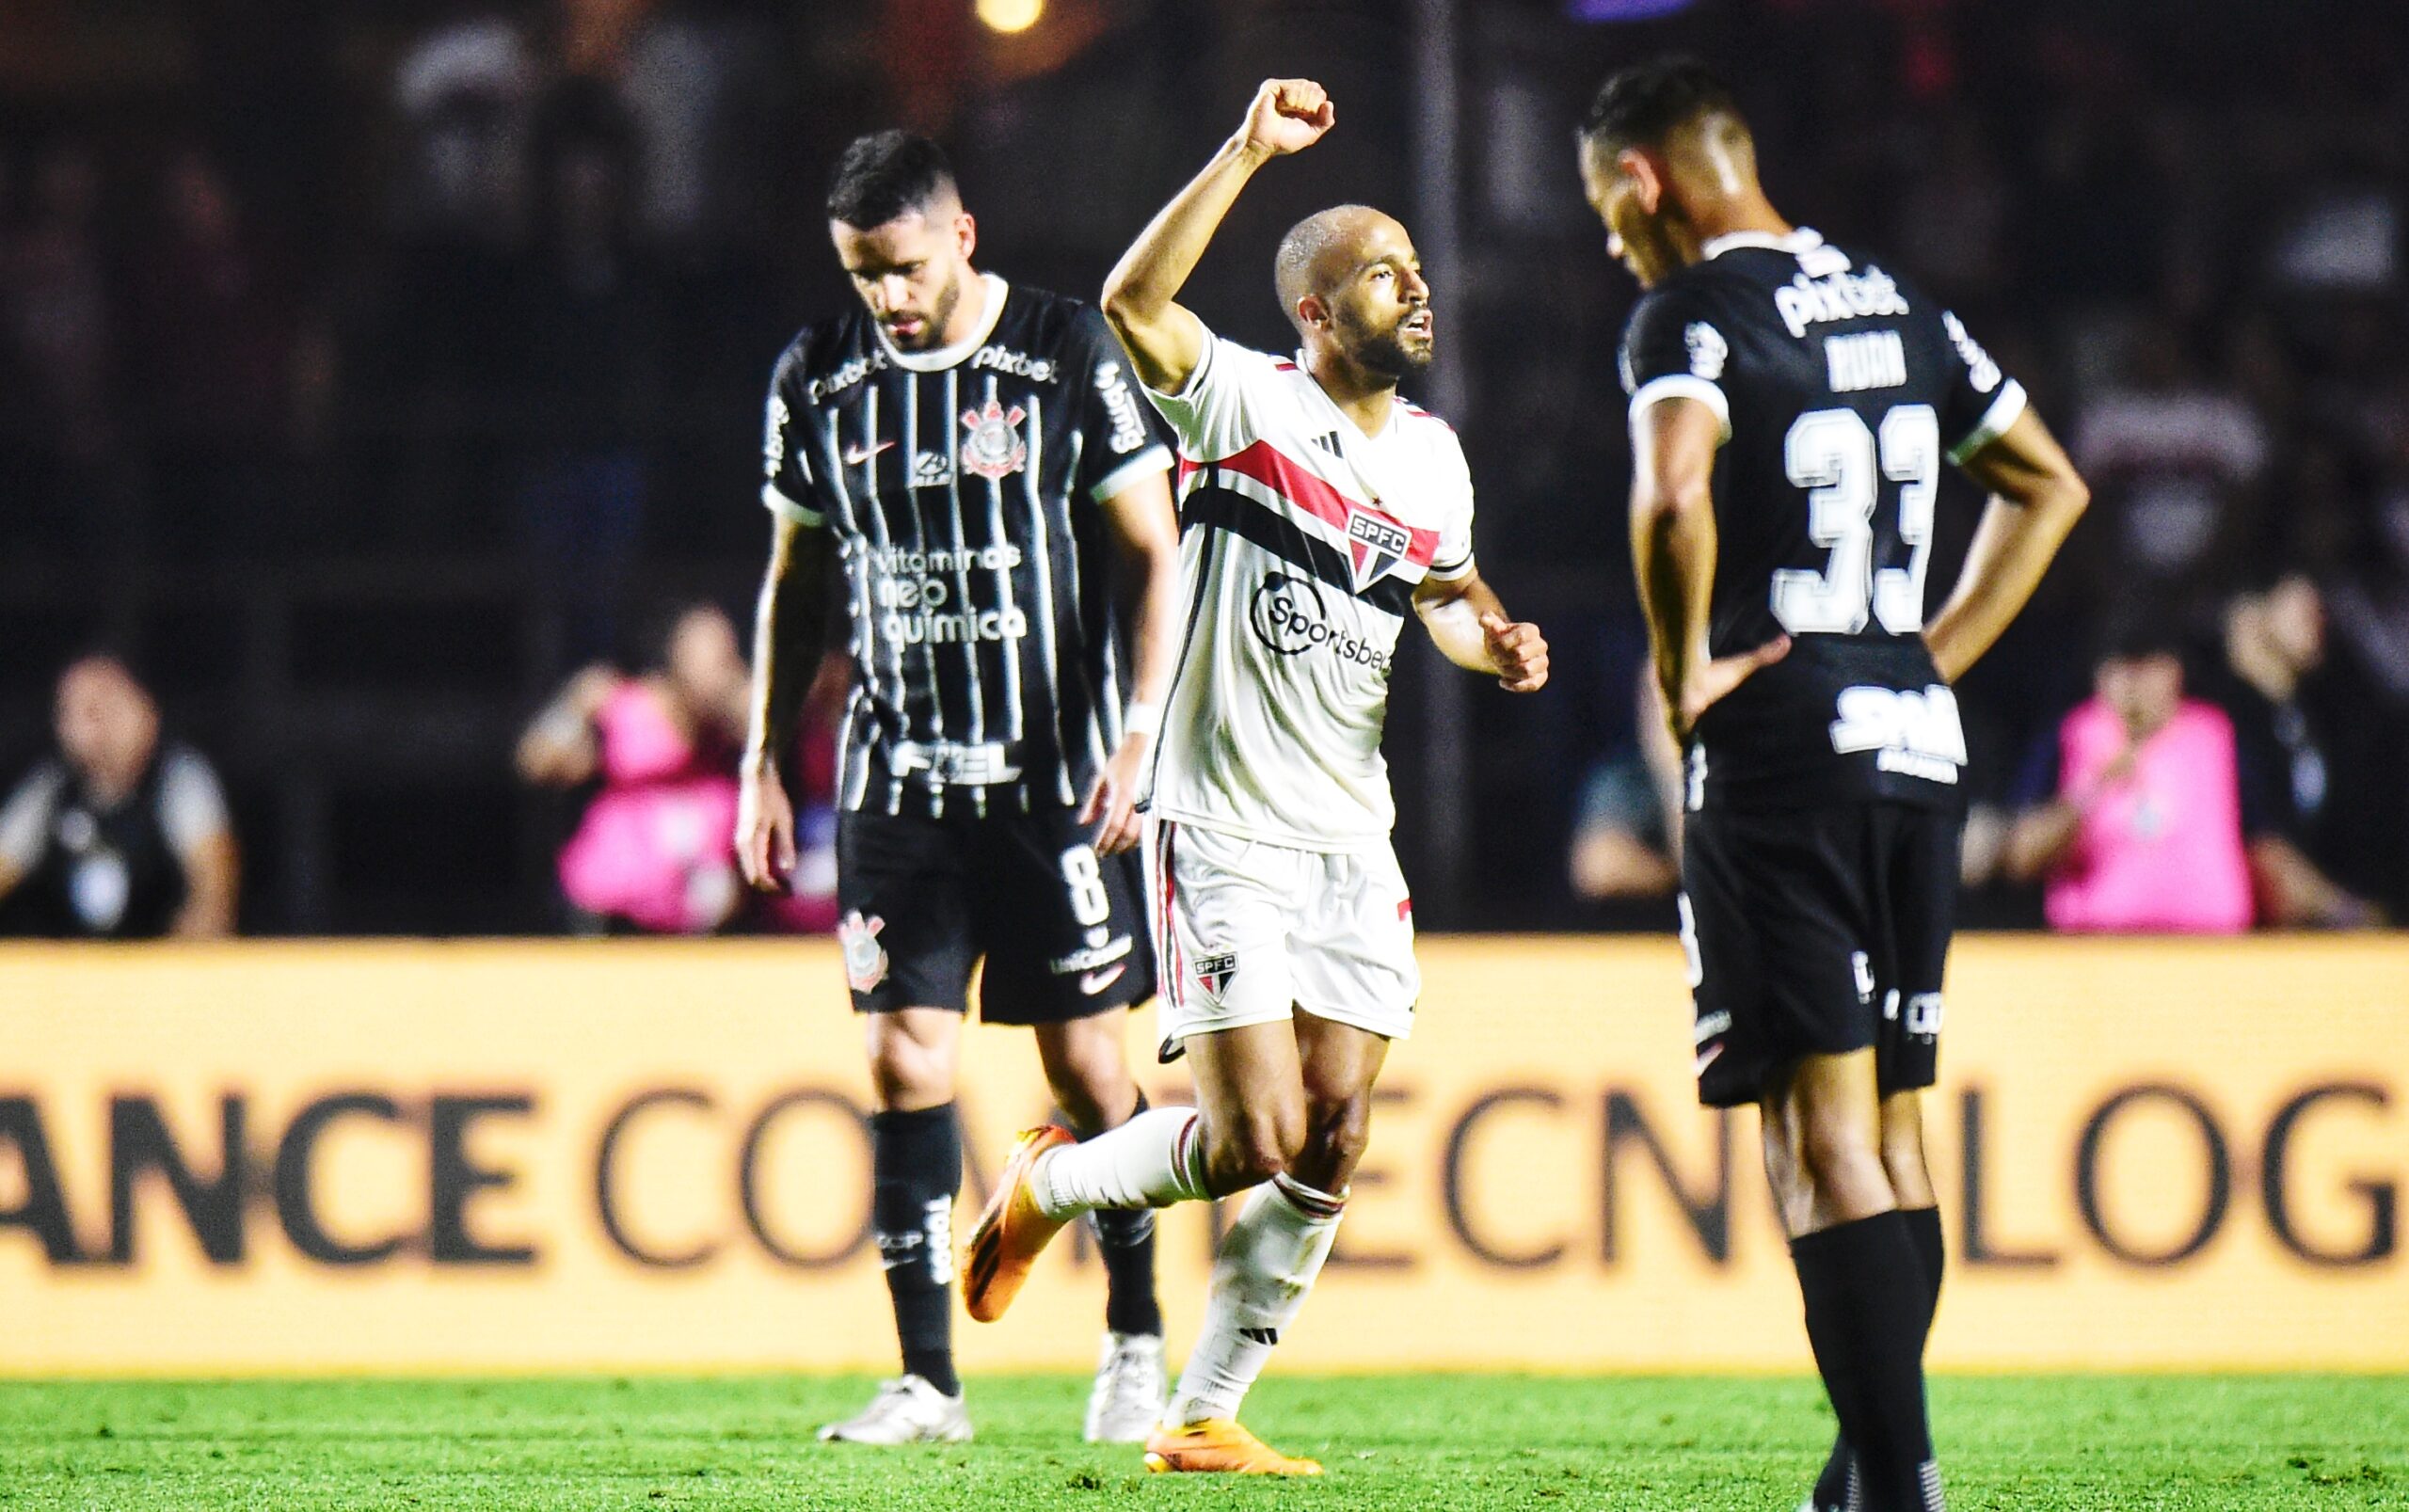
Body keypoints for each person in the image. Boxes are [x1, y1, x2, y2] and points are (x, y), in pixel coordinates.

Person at [962, 79, 1549, 1477]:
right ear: (1312, 309)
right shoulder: (1240, 399)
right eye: (1379, 274)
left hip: (1353, 832)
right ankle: (1052, 1177)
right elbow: (1129, 298)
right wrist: (1241, 150)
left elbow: (1447, 595)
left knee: (1333, 1133)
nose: (1413, 292)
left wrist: (1496, 643)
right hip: (1222, 821)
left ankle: (1204, 1411)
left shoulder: (1435, 460)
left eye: (1415, 270)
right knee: (1249, 1137)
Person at [1577, 59, 2088, 1512]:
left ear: (1643, 181)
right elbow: (2049, 481)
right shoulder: (1903, 304)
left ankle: (1898, 1482)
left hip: (1783, 747)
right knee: (1900, 1126)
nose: (1613, 246)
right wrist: (1932, 652)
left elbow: (1673, 490)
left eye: (1606, 211)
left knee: (1818, 1142)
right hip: (1918, 746)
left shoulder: (1686, 313)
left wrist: (1680, 676)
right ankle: (1863, 1469)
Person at [733, 131, 1184, 1448]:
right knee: (900, 1057)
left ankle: (1135, 1336)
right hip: (897, 779)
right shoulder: (817, 377)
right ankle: (929, 1379)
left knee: (1091, 1069)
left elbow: (1153, 549)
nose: (888, 296)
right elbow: (796, 581)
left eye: (906, 267)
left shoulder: (1061, 354)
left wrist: (1142, 726)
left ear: (963, 235)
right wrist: (766, 755)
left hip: (1055, 776)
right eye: (863, 273)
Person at [2002, 617, 2372, 931]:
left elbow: (2263, 846)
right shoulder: (2072, 735)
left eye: (2148, 666)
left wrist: (2343, 910)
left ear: (2174, 671)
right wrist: (2092, 789)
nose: (2134, 685)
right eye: (2122, 669)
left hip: (2207, 949)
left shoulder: (2215, 734)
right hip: (2097, 949)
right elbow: (2022, 857)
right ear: (2101, 676)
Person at [518, 599, 774, 934]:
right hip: (612, 912)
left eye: (725, 657)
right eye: (706, 656)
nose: (716, 669)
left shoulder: (735, 722)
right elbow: (538, 762)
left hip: (699, 918)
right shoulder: (624, 708)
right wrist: (573, 710)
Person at [0, 655, 239, 939]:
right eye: (74, 711)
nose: (90, 726)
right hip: (68, 972)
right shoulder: (50, 790)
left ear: (145, 710)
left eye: (103, 707)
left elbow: (213, 900)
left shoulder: (179, 778)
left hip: (159, 970)